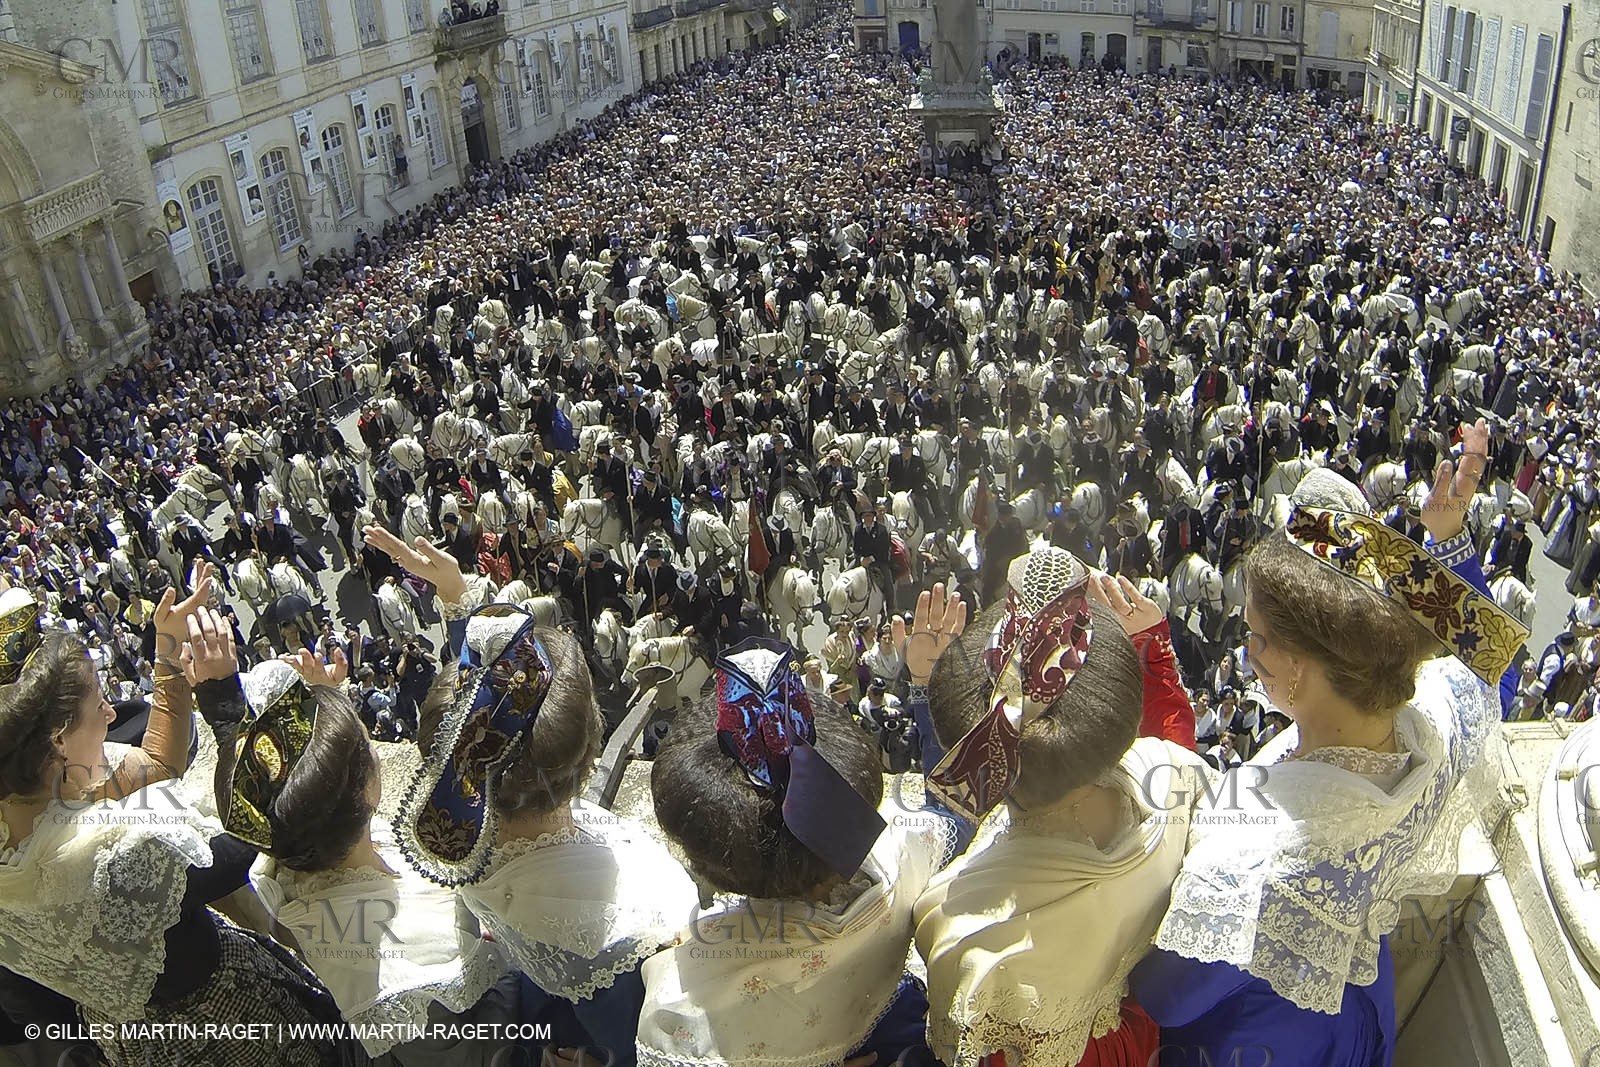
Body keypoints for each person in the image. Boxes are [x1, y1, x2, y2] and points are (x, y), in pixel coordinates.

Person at [1131, 423, 1529, 1067]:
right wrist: (1447, 547)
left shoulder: (1256, 855)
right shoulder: (1430, 723)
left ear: (1299, 667)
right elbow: (1489, 673)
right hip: (1357, 1009)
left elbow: (1167, 998)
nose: (1244, 650)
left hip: (1269, 1036)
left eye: (1254, 635)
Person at [0, 569, 362, 1067]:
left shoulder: (32, 791)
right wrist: (225, 702)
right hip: (230, 1028)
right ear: (56, 740)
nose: (112, 714)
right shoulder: (115, 855)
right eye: (98, 705)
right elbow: (254, 830)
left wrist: (167, 656)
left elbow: (155, 767)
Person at [365, 526, 698, 1067]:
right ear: (591, 753)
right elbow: (631, 1038)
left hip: (533, 990)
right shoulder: (640, 918)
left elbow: (484, 720)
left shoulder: (457, 821)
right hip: (586, 1024)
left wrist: (459, 603)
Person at [640, 592, 968, 1067]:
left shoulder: (677, 1002)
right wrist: (925, 686)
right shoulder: (904, 860)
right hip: (899, 1037)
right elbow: (955, 815)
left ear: (704, 858)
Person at [914, 554, 1204, 1067]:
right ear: (1119, 730)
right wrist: (1153, 652)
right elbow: (1171, 744)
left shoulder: (957, 925)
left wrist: (929, 684)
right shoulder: (1175, 782)